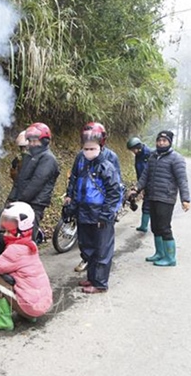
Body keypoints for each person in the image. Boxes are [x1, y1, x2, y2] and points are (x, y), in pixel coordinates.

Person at [0, 202, 52, 330]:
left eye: (10, 223)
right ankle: (28, 316)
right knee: (18, 279)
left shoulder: (15, 250)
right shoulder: (29, 243)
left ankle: (4, 320)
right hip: (43, 304)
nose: (5, 227)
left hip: (31, 307)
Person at [63, 122, 122, 293]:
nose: (88, 151)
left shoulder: (108, 161)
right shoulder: (80, 158)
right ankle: (92, 278)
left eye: (92, 147)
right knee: (87, 246)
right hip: (84, 209)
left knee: (102, 248)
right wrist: (70, 201)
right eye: (86, 147)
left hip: (100, 211)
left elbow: (114, 190)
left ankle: (100, 283)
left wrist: (107, 214)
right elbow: (74, 180)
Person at [129, 130, 190, 266]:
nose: (161, 143)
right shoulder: (152, 156)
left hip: (166, 197)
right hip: (152, 196)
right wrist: (137, 188)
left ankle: (170, 258)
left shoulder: (176, 158)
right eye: (159, 140)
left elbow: (182, 180)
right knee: (155, 226)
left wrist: (185, 199)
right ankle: (160, 253)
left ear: (169, 142)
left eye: (164, 141)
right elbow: (145, 176)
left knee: (164, 227)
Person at [7, 122, 60, 243]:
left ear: (44, 141)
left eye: (35, 141)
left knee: (27, 240)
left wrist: (19, 201)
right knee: (13, 237)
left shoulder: (48, 159)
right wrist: (11, 199)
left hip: (34, 205)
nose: (31, 144)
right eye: (30, 141)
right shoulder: (29, 156)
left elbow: (36, 184)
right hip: (21, 203)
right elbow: (20, 180)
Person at [126, 137, 151, 232]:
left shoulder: (149, 154)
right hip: (142, 182)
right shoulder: (138, 155)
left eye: (134, 149)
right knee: (146, 203)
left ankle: (145, 226)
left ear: (139, 146)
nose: (133, 152)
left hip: (151, 183)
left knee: (148, 204)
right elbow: (139, 171)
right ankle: (144, 225)